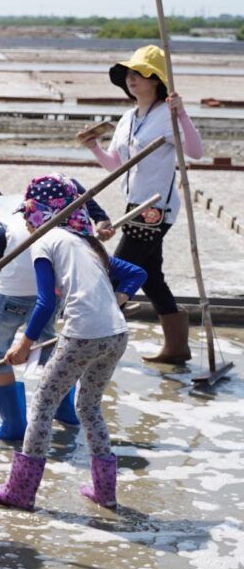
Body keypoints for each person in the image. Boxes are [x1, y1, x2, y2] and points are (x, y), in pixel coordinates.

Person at [0, 175, 146, 510]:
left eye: (27, 213)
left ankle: (22, 490)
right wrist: (115, 302)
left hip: (82, 335)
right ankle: (105, 490)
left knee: (43, 403)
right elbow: (135, 273)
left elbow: (44, 302)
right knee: (89, 406)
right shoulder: (86, 241)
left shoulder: (46, 241)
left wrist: (25, 343)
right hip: (116, 335)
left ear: (35, 212)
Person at [0, 183, 113, 440]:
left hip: (13, 289)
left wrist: (0, 260)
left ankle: (13, 424)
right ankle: (66, 413)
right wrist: (101, 217)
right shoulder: (30, 201)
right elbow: (78, 192)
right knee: (48, 346)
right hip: (50, 286)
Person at [79, 44, 204, 364]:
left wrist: (182, 113)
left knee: (114, 273)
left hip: (155, 208)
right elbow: (116, 165)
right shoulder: (127, 117)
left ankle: (97, 346)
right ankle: (176, 348)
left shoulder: (168, 114)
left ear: (157, 80)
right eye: (130, 75)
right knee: (150, 274)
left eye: (141, 74)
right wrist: (94, 146)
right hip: (133, 203)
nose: (133, 79)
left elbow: (195, 152)